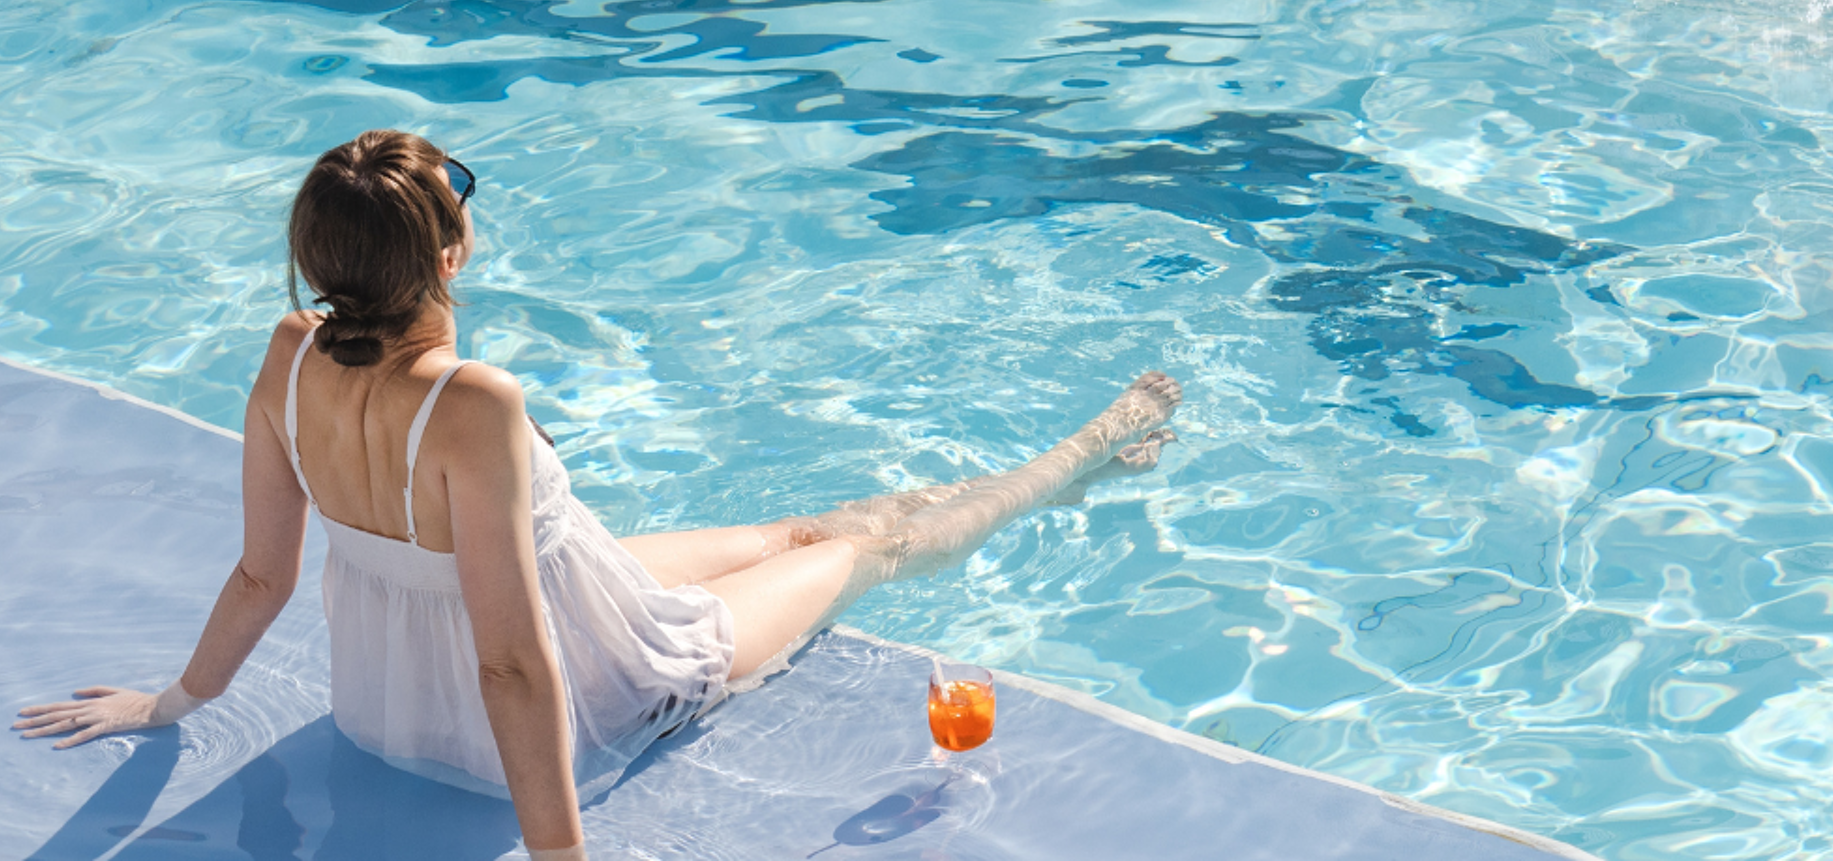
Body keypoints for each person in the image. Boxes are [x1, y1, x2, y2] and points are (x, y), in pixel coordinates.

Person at [14, 131, 1182, 861]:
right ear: (450, 254)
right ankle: (1093, 445)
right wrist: (558, 854)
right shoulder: (473, 401)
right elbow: (516, 663)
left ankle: (1079, 456)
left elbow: (264, 569)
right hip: (591, 679)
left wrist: (173, 704)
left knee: (786, 530)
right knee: (863, 543)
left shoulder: (287, 349)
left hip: (390, 703)